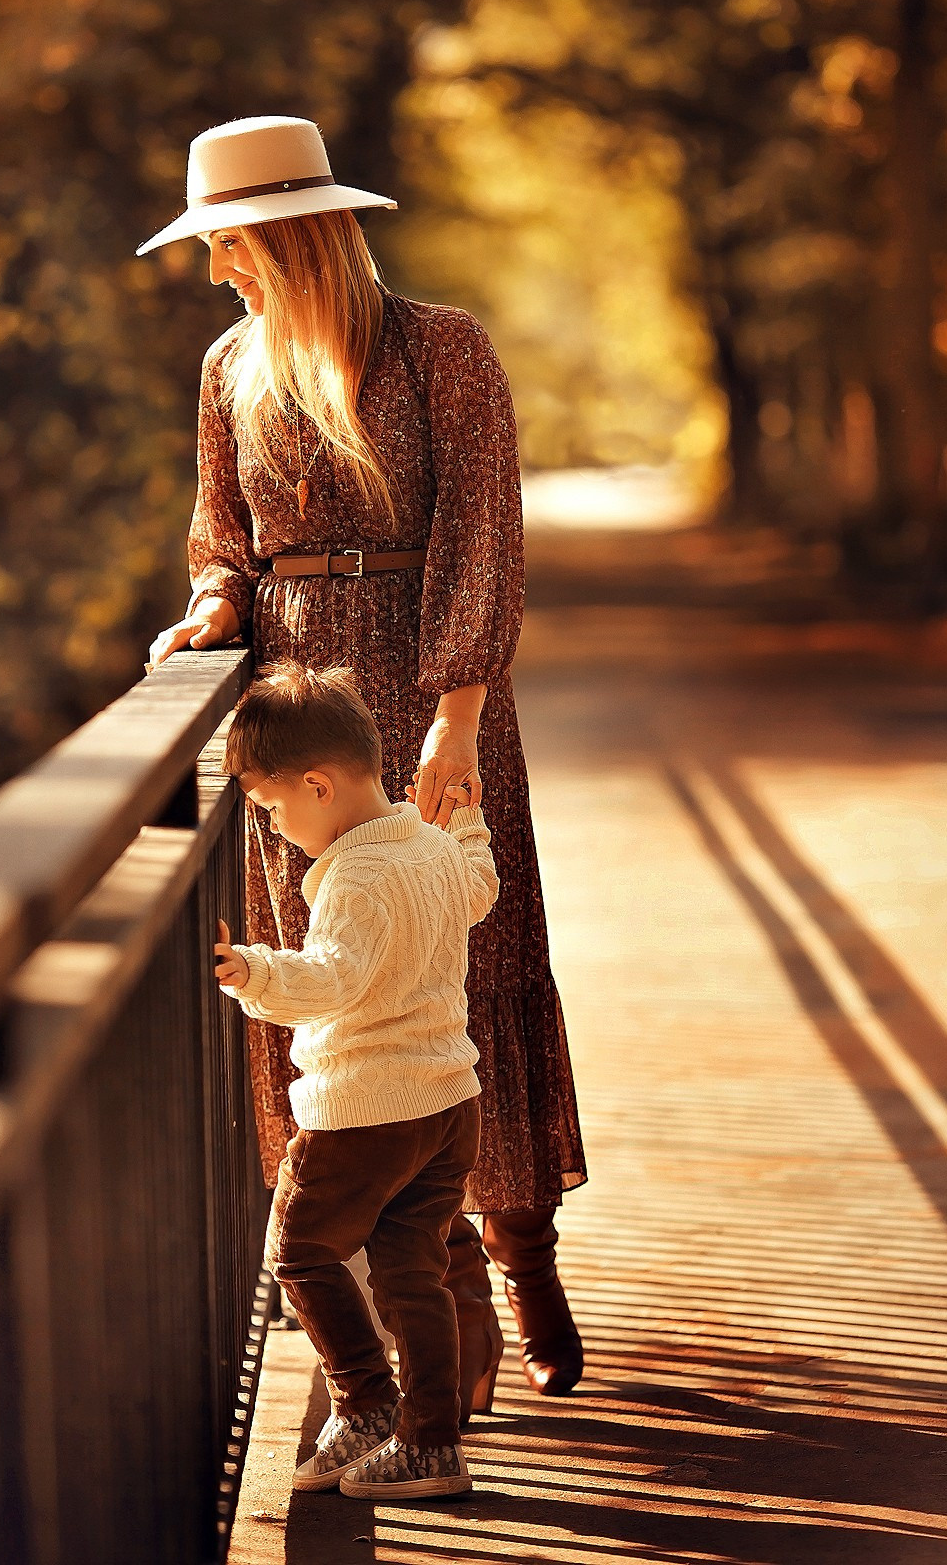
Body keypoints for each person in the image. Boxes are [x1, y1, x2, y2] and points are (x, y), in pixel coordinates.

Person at [142, 115, 587, 1415]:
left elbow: (483, 539)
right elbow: (221, 541)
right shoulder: (231, 367)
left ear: (289, 235)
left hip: (431, 688)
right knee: (345, 992)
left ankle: (521, 1252)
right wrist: (216, 608)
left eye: (227, 242)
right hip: (302, 714)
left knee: (473, 964)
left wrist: (456, 712)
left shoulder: (446, 350)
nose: (216, 268)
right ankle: (420, 1277)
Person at [213, 660, 497, 1498]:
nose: (273, 827)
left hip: (367, 1108)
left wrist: (250, 970)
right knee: (413, 1268)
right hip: (450, 1100)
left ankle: (369, 1404)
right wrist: (471, 826)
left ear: (318, 784)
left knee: (299, 1254)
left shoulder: (355, 878)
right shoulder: (429, 844)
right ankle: (432, 1443)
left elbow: (332, 981)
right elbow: (478, 887)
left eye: (271, 808)